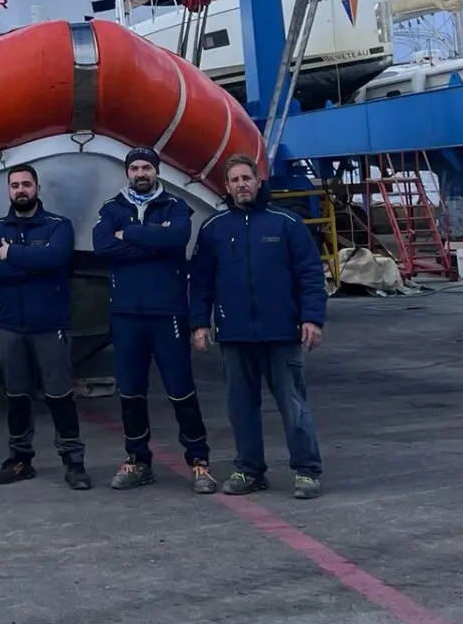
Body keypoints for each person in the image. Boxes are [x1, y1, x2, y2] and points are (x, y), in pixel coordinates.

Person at [190, 153, 327, 499]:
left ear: (258, 181)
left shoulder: (286, 224)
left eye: (246, 178)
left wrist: (312, 317)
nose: (241, 185)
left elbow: (310, 274)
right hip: (235, 335)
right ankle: (250, 469)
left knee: (293, 406)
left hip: (281, 333)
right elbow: (201, 281)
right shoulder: (214, 229)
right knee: (241, 408)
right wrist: (199, 324)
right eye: (234, 180)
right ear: (227, 187)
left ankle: (307, 471)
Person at [92, 147, 217, 494]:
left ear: (156, 171)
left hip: (168, 314)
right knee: (131, 391)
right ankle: (137, 459)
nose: (141, 173)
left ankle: (199, 460)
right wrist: (152, 241)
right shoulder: (111, 208)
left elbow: (176, 238)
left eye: (146, 167)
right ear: (127, 173)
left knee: (181, 390)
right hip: (127, 314)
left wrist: (128, 234)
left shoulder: (176, 207)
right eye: (135, 168)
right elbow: (101, 246)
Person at [0, 165, 91, 489]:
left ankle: (73, 461)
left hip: (50, 325)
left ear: (37, 187)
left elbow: (56, 259)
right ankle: (20, 459)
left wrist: (11, 253)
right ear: (8, 191)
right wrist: (33, 264)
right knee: (16, 396)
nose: (21, 190)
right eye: (14, 185)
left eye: (26, 184)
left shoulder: (58, 226)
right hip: (11, 326)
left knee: (60, 395)